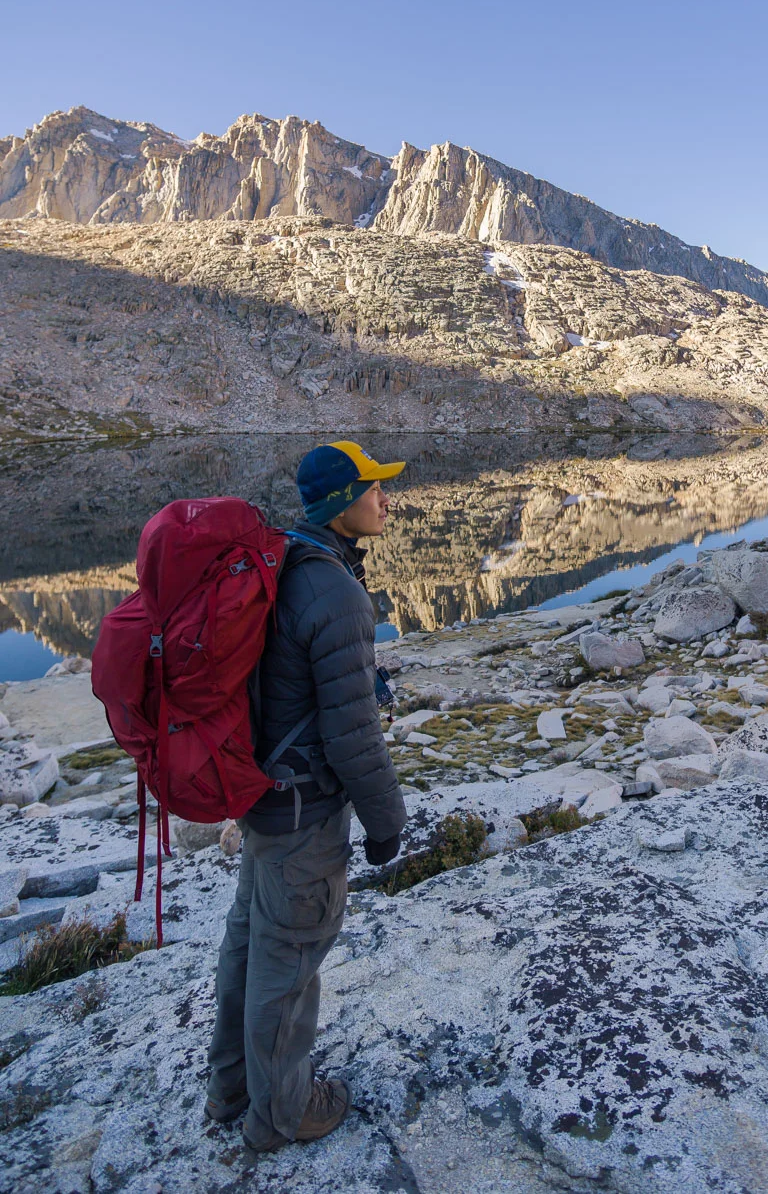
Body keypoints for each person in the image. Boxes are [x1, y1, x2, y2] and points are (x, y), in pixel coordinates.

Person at [204, 440, 408, 1152]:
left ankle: (230, 1090)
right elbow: (352, 737)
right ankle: (284, 1114)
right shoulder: (335, 593)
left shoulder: (283, 560)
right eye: (374, 487)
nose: (387, 498)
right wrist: (387, 825)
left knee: (248, 951)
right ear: (341, 503)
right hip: (304, 819)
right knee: (288, 969)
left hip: (262, 804)